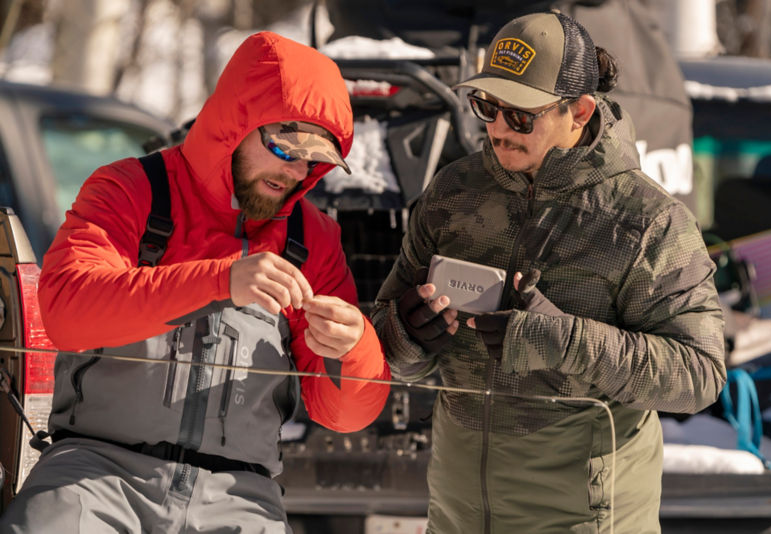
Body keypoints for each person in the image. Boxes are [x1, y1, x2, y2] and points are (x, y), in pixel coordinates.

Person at [1, 31, 391, 533]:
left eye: (313, 160)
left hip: (241, 498)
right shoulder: (129, 190)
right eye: (284, 146)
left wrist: (355, 349)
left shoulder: (314, 238)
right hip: (96, 477)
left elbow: (343, 415)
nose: (295, 171)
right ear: (236, 118)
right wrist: (220, 280)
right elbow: (65, 310)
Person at [372, 11, 725, 534]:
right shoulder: (453, 193)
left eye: (521, 115)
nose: (497, 128)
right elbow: (384, 335)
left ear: (580, 110)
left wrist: (562, 341)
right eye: (487, 106)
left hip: (583, 519)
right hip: (456, 516)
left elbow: (699, 375)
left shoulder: (646, 220)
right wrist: (405, 335)